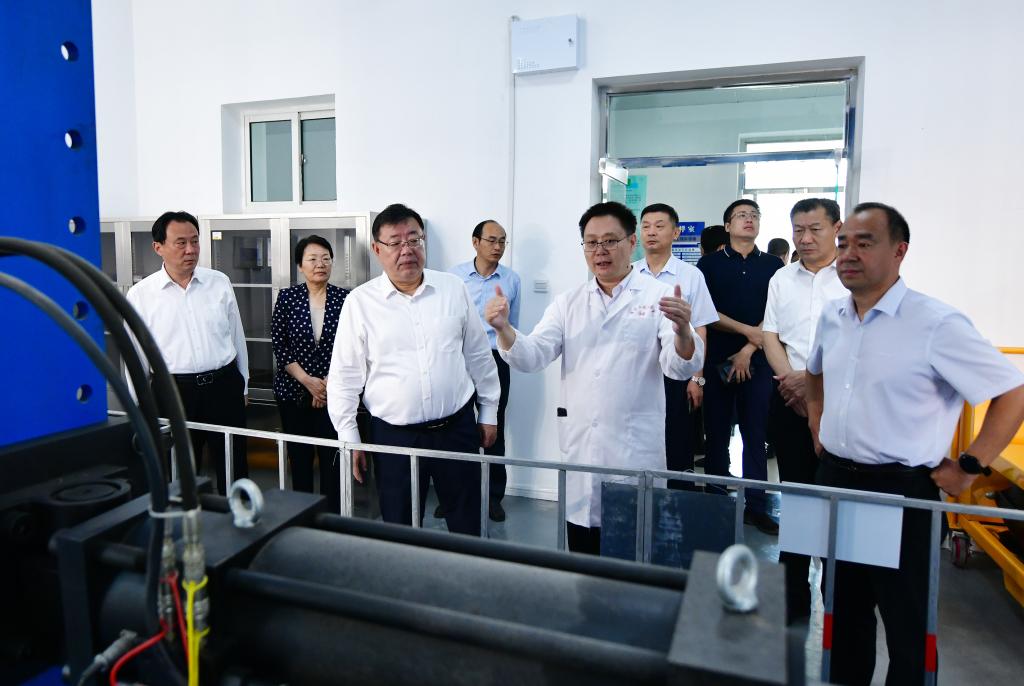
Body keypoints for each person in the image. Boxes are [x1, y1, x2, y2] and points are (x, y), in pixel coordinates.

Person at [806, 202, 1024, 685]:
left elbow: (1013, 392)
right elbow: (814, 373)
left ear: (899, 251)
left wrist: (970, 466)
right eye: (844, 244)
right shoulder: (833, 315)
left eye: (865, 243)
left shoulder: (936, 323)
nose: (848, 254)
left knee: (908, 624)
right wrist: (817, 424)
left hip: (901, 492)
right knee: (842, 612)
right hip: (837, 480)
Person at [485, 201, 703, 555]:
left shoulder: (658, 296)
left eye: (610, 241)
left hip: (634, 450)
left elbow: (677, 367)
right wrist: (503, 329)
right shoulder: (568, 303)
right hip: (582, 452)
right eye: (591, 242)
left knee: (632, 557)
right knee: (584, 558)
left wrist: (682, 331)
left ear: (631, 242)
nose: (600, 250)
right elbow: (533, 354)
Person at [327, 203, 500, 536]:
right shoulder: (360, 303)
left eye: (414, 240)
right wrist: (349, 437)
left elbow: (478, 354)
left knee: (468, 523)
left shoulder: (452, 289)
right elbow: (345, 377)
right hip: (395, 437)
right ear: (377, 249)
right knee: (400, 527)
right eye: (395, 242)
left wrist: (489, 410)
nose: (407, 250)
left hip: (457, 430)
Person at [762, 198, 847, 625]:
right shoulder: (782, 278)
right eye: (798, 230)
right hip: (789, 400)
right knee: (796, 500)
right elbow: (770, 335)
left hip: (839, 407)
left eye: (815, 229)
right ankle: (792, 597)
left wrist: (812, 385)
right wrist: (792, 382)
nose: (805, 238)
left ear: (837, 228)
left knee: (836, 506)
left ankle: (838, 598)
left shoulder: (852, 278)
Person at [126, 210, 249, 495]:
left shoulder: (219, 282)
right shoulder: (141, 295)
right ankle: (189, 521)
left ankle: (238, 517)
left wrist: (242, 384)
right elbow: (135, 356)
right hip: (173, 393)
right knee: (180, 473)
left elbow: (236, 336)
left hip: (223, 387)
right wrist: (140, 406)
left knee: (234, 466)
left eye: (195, 241)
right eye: (181, 243)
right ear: (158, 247)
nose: (191, 250)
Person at [697, 199, 784, 535]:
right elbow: (706, 312)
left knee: (755, 435)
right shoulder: (709, 265)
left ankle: (757, 507)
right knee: (716, 434)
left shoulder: (774, 265)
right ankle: (715, 503)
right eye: (742, 215)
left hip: (759, 361)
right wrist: (747, 331)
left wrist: (749, 348)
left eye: (754, 215)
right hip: (717, 361)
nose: (749, 220)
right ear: (728, 225)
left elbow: (776, 312)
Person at [634, 203, 718, 489]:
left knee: (677, 440)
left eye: (659, 226)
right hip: (640, 372)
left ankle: (676, 505)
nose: (651, 232)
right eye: (646, 226)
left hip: (677, 373)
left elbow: (701, 327)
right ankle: (641, 501)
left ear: (676, 232)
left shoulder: (691, 275)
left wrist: (697, 378)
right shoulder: (631, 274)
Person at [449, 219, 521, 522]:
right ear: (475, 242)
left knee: (495, 427)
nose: (498, 246)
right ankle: (455, 495)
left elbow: (513, 326)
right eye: (492, 240)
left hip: (496, 358)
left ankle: (493, 497)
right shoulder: (454, 277)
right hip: (461, 358)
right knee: (458, 426)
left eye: (502, 241)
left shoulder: (512, 280)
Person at [271, 235, 349, 512]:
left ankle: (333, 517)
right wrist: (308, 382)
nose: (320, 264)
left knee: (333, 460)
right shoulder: (288, 298)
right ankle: (302, 515)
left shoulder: (345, 299)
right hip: (293, 393)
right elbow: (280, 345)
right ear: (300, 266)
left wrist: (326, 384)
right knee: (300, 458)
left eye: (326, 258)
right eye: (313, 259)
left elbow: (351, 347)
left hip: (334, 393)